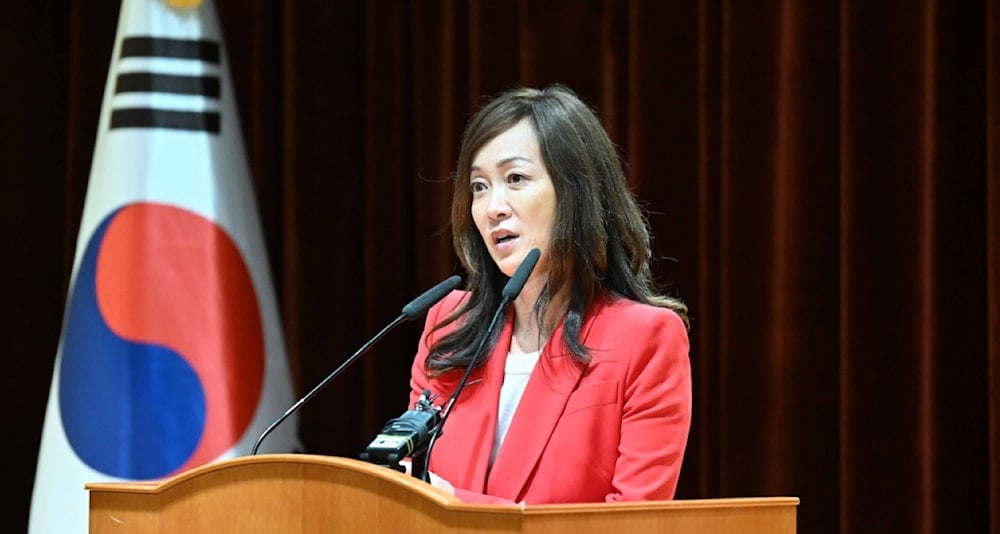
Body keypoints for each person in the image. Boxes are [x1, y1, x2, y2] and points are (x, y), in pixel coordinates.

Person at [406, 83, 692, 505]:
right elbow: (409, 489)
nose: (492, 207)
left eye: (515, 179)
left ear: (575, 193)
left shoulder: (645, 339)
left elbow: (634, 522)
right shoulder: (449, 323)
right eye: (479, 186)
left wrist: (459, 508)